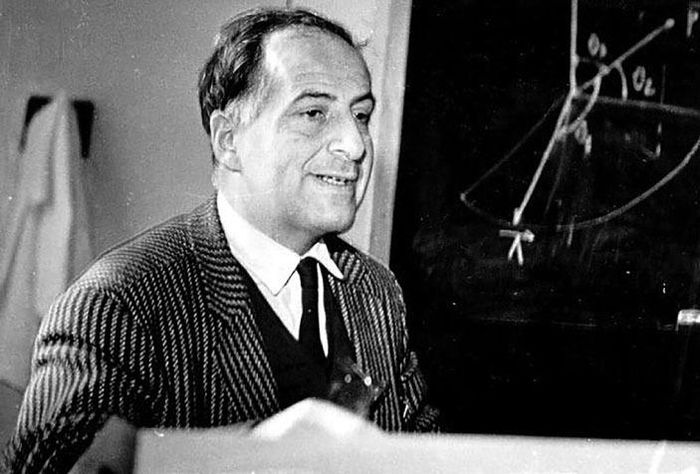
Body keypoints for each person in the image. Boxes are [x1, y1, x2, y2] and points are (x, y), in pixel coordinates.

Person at [3, 7, 439, 472]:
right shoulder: (117, 302)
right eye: (314, 113)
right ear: (228, 140)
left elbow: (421, 455)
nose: (354, 144)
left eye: (361, 115)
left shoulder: (375, 292)